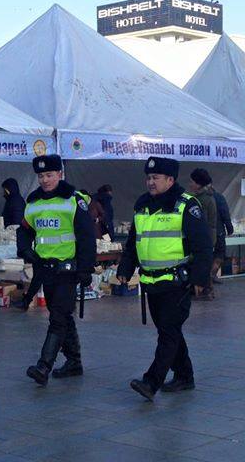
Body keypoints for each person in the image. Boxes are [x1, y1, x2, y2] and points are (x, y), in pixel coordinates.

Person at [117, 157, 213, 401]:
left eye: (156, 178)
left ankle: (152, 381)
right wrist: (125, 269)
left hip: (176, 282)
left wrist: (200, 280)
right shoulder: (143, 205)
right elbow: (132, 243)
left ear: (170, 180)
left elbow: (203, 246)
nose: (150, 182)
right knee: (169, 330)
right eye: (148, 177)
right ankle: (184, 376)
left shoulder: (185, 205)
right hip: (151, 282)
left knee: (168, 332)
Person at [17, 154, 96, 386]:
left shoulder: (73, 200)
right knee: (61, 314)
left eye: (49, 175)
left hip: (68, 269)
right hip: (45, 269)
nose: (45, 180)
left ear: (60, 175)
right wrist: (24, 248)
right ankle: (74, 361)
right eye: (41, 176)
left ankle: (44, 365)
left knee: (58, 317)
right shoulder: (33, 202)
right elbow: (25, 229)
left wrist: (86, 268)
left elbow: (86, 235)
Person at [189, 168, 217, 299]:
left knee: (203, 263)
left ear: (199, 184)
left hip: (205, 237)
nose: (190, 184)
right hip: (207, 236)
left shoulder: (203, 200)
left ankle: (206, 290)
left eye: (192, 181)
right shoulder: (203, 198)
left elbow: (203, 221)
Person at [211, 185, 234, 284]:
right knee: (220, 254)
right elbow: (225, 214)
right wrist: (230, 229)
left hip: (204, 233)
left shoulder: (196, 198)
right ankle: (211, 276)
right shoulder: (218, 197)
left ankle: (209, 277)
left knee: (206, 255)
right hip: (218, 232)